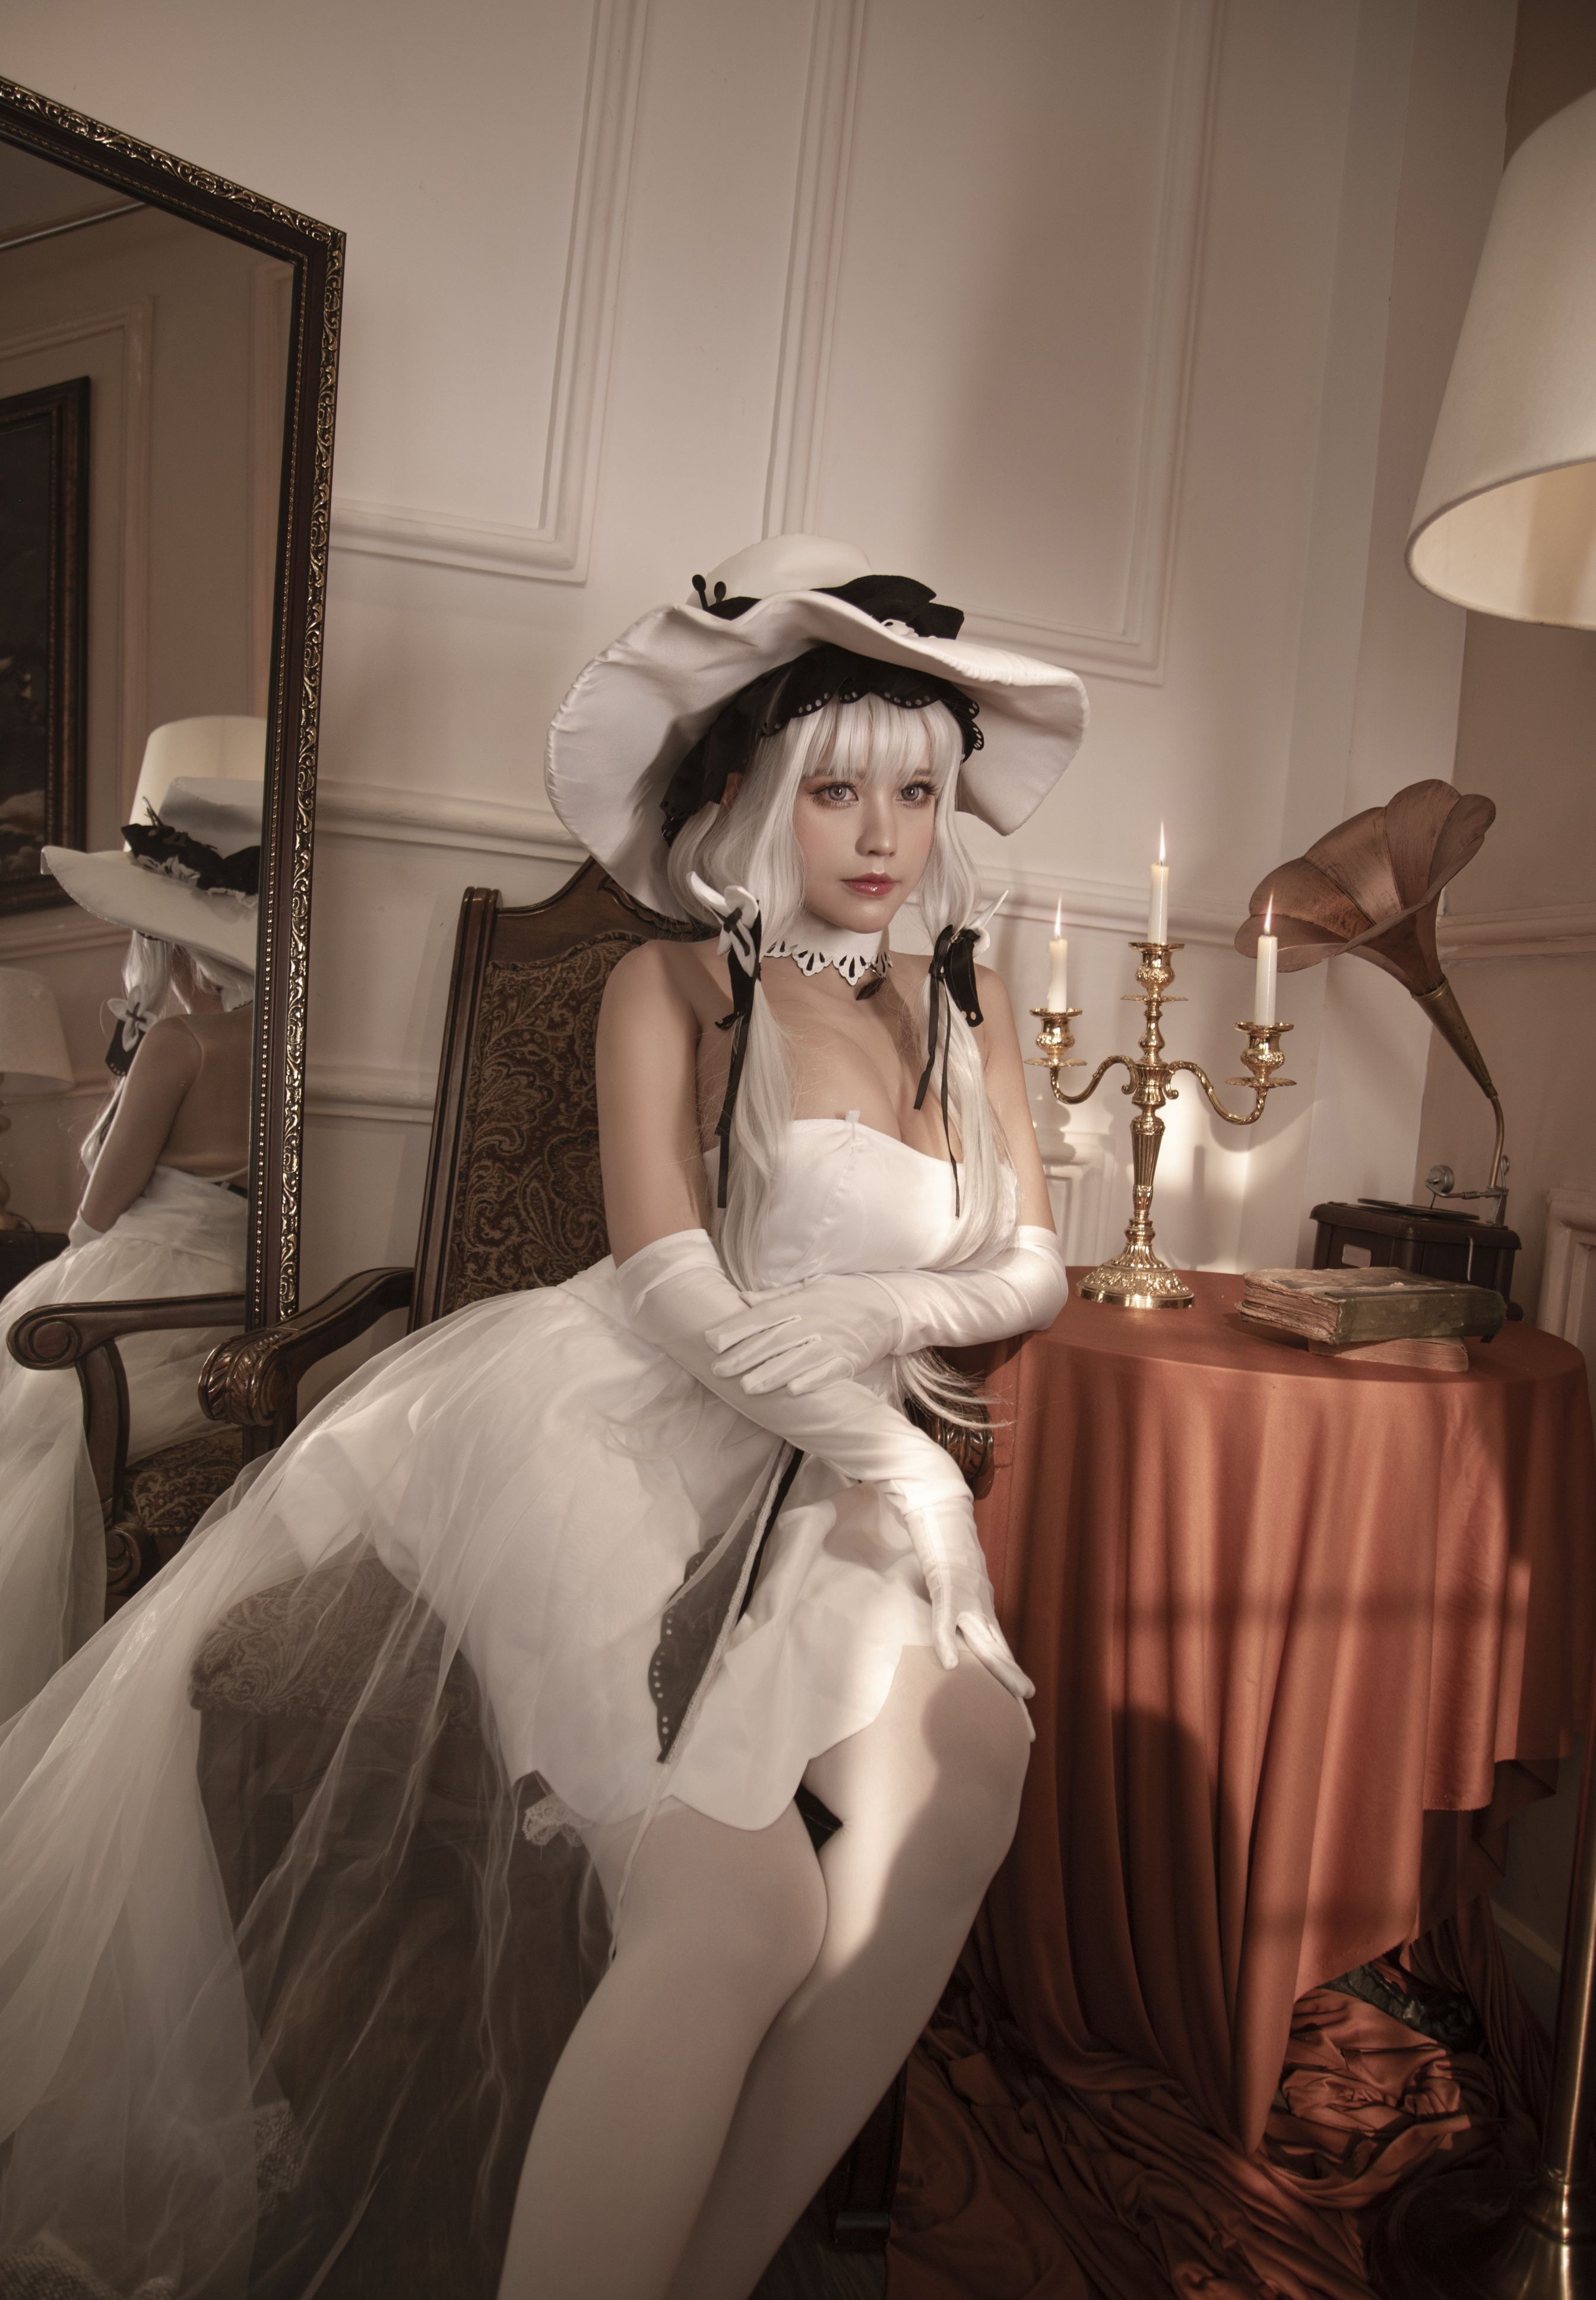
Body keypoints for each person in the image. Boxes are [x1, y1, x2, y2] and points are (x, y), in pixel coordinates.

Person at [0, 539, 1087, 2300]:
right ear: (748, 793)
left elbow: (1034, 1262)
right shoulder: (675, 987)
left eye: (916, 789)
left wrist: (883, 1328)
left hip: (807, 1467)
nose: (884, 833)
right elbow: (668, 1282)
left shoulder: (964, 1006)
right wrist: (902, 1457)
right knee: (744, 1912)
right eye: (836, 789)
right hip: (600, 1423)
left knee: (974, 1779)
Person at [0, 719, 261, 1719]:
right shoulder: (287, 1045)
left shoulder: (182, 1043)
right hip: (224, 1305)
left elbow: (100, 1210)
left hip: (139, 1292)